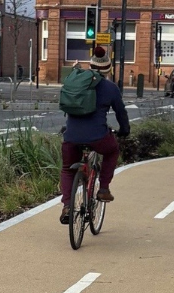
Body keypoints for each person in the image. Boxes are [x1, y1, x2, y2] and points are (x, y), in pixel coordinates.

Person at [59, 46, 130, 225]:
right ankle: (104, 189)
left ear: (90, 65)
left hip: (71, 136)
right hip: (98, 137)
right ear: (108, 70)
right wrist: (124, 130)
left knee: (68, 169)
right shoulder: (110, 88)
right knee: (112, 151)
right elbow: (121, 113)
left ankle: (67, 206)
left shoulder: (74, 81)